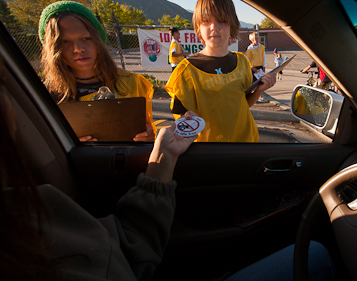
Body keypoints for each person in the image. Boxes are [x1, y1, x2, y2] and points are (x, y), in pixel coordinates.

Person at [0, 55, 335, 281]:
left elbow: (130, 246)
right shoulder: (36, 213)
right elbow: (178, 111)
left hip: (239, 141)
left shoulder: (34, 212)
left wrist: (163, 158)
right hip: (204, 145)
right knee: (317, 254)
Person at [165, 0, 277, 142]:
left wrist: (260, 90)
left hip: (247, 145)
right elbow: (185, 123)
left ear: (232, 25)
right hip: (212, 153)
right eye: (206, 21)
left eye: (222, 20)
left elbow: (243, 104)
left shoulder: (242, 62)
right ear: (198, 27)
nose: (214, 27)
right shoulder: (187, 71)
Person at [39, 0, 155, 142]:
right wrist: (67, 142)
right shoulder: (45, 93)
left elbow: (148, 128)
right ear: (53, 47)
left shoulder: (132, 83)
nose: (78, 48)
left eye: (86, 38)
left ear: (98, 39)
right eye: (65, 42)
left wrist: (150, 135)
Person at [245, 32, 269, 102]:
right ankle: (252, 98)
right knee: (252, 83)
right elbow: (247, 59)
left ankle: (260, 97)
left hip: (260, 68)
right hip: (253, 69)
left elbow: (264, 57)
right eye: (255, 38)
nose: (257, 40)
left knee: (261, 83)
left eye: (258, 38)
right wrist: (252, 67)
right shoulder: (250, 48)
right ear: (252, 39)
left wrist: (264, 67)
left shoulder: (262, 47)